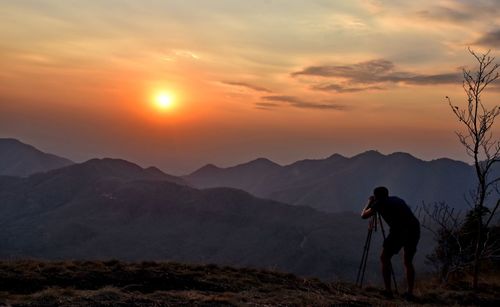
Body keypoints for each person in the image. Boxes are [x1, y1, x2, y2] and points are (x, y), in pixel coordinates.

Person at [361, 186, 420, 299]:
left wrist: (369, 203)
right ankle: (410, 292)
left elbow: (364, 216)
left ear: (376, 196)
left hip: (399, 231)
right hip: (414, 229)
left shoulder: (379, 203)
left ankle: (388, 291)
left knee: (384, 258)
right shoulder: (397, 199)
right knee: (408, 261)